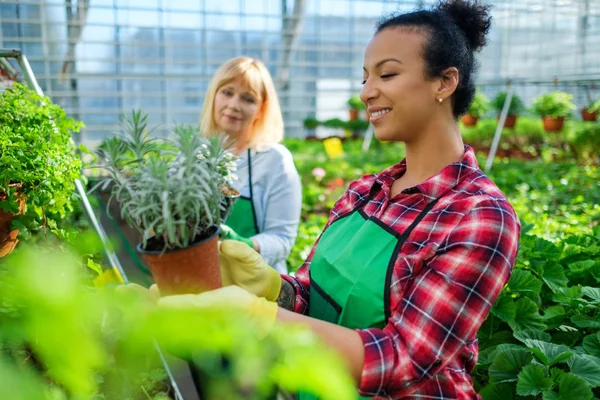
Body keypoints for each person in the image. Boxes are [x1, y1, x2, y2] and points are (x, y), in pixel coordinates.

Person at [148, 1, 521, 398]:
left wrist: (260, 318)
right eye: (364, 78)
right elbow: (311, 295)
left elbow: (404, 359)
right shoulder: (363, 194)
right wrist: (274, 288)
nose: (366, 92)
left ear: (444, 83)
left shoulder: (478, 215)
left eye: (387, 74)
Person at [200, 56, 302, 274]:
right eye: (227, 92)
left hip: (257, 283)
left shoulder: (275, 160)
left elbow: (282, 240)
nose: (234, 105)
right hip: (202, 279)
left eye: (248, 99)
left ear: (261, 109)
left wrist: (242, 245)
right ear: (214, 96)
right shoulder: (195, 158)